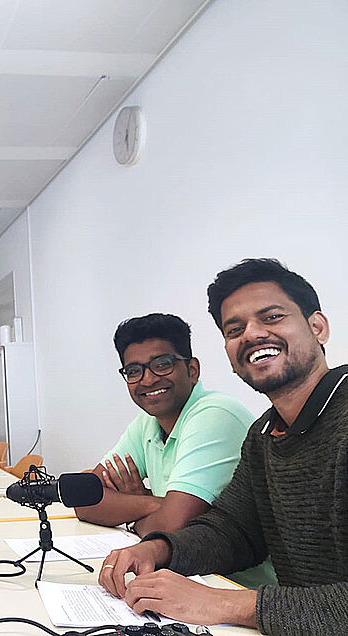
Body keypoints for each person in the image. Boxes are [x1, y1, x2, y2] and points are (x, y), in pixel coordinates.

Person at [99, 258, 348, 634]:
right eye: (235, 329)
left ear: (318, 327)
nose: (252, 334)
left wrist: (223, 603)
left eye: (272, 317)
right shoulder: (265, 434)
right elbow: (233, 530)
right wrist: (158, 549)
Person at [75, 313, 253, 538]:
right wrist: (154, 503)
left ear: (192, 370)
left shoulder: (216, 414)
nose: (148, 380)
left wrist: (134, 513)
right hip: (179, 566)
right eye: (133, 371)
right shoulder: (147, 422)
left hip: (231, 573)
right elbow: (84, 500)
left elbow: (172, 527)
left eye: (162, 364)